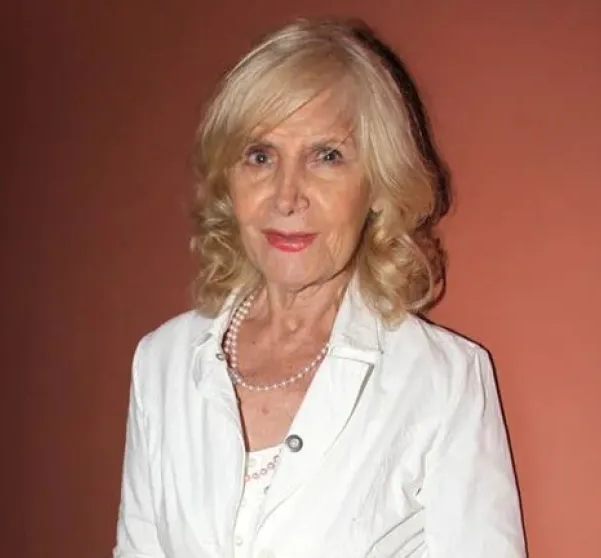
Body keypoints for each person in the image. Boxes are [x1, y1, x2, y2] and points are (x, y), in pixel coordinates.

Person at [113, 17, 525, 558]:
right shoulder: (161, 362)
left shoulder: (442, 381)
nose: (287, 196)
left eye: (326, 156)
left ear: (377, 186)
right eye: (260, 156)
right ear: (228, 183)